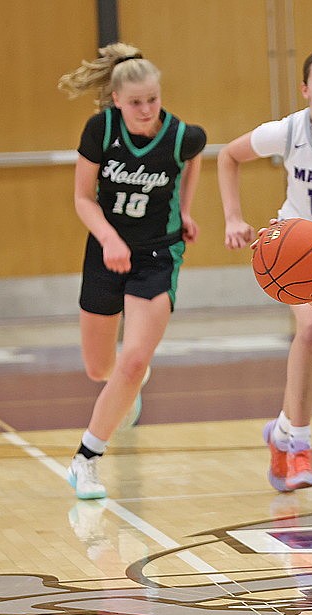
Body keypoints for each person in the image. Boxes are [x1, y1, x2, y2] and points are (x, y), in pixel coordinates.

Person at [217, 49, 312, 492]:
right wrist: (233, 217)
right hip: (297, 250)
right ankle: (299, 444)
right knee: (310, 334)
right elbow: (228, 156)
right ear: (305, 89)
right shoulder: (288, 131)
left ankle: (282, 429)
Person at [57, 43, 206, 499]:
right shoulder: (100, 131)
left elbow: (192, 161)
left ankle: (86, 460)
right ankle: (126, 385)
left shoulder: (183, 136)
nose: (146, 110)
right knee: (100, 367)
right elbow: (83, 198)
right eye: (136, 102)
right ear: (117, 101)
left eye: (153, 100)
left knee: (135, 357)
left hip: (158, 254)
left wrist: (184, 211)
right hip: (106, 249)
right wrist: (109, 238)